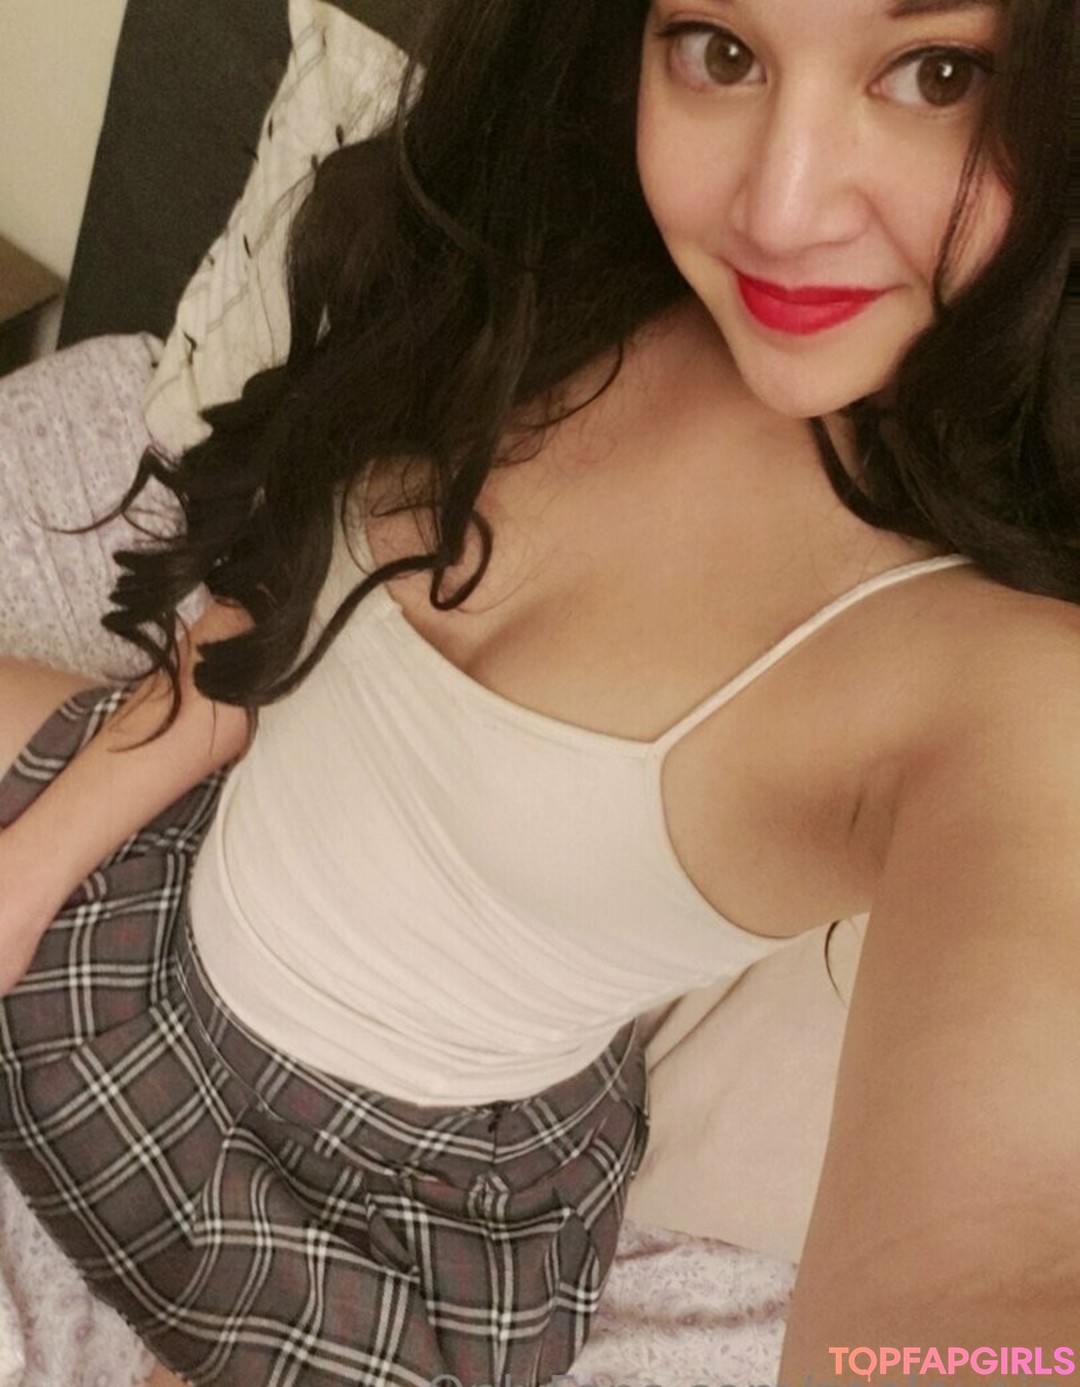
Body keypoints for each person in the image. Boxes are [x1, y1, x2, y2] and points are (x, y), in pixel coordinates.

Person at [0, 0, 1075, 1382]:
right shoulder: (544, 274)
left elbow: (979, 1296)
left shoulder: (1007, 686)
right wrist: (32, 864)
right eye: (722, 52)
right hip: (174, 884)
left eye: (936, 73)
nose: (783, 206)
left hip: (382, 1203)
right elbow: (266, 611)